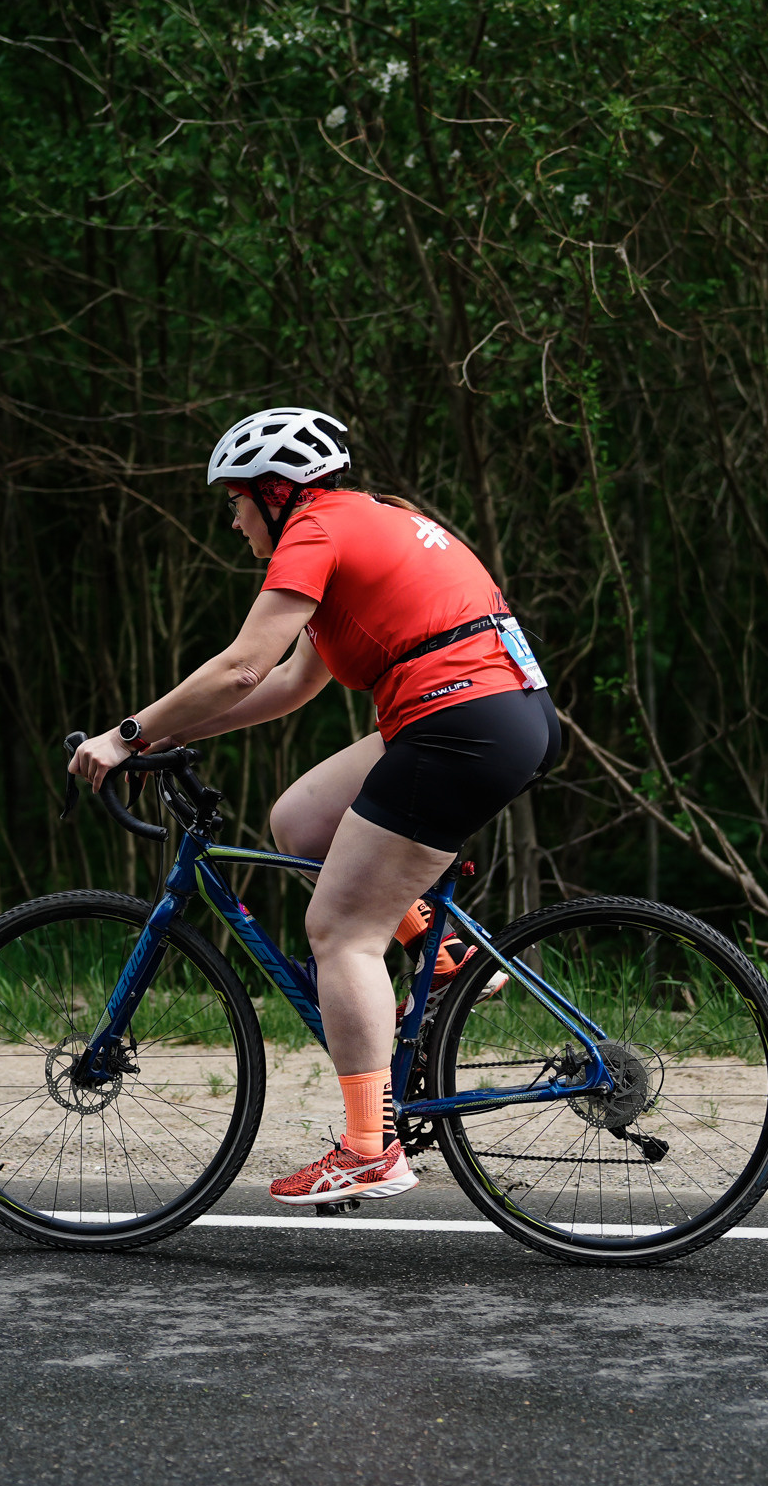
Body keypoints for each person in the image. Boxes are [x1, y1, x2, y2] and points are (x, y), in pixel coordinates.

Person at [69, 406, 559, 1206]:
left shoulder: (316, 532)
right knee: (300, 821)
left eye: (234, 502)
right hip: (499, 712)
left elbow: (239, 667)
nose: (232, 521)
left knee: (339, 932)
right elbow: (287, 683)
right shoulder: (373, 521)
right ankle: (441, 954)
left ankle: (372, 1148)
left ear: (275, 492)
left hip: (459, 724)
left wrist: (126, 734)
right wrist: (160, 739)